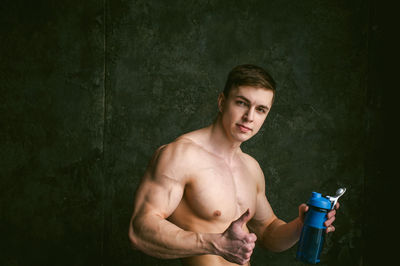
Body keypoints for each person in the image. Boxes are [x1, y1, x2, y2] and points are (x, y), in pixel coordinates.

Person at [128, 64, 339, 265]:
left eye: (261, 109)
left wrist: (301, 225)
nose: (249, 117)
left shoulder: (251, 168)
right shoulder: (181, 155)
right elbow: (140, 230)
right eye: (241, 103)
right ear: (222, 102)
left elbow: (268, 232)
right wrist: (214, 243)